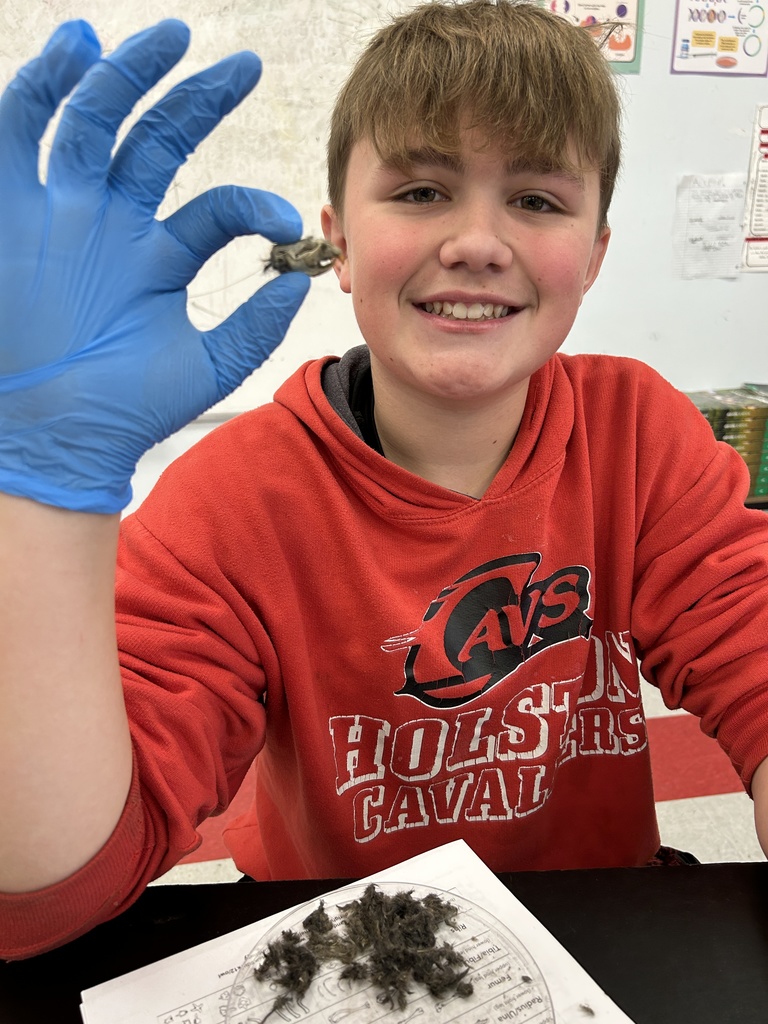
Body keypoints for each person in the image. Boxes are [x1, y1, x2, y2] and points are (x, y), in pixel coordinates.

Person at [1, 1, 767, 961]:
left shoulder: (639, 435)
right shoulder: (231, 504)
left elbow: (754, 655)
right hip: (332, 946)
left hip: (595, 933)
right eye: (418, 193)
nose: (478, 242)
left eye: (537, 200)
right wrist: (44, 494)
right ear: (338, 244)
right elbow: (48, 890)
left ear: (595, 256)